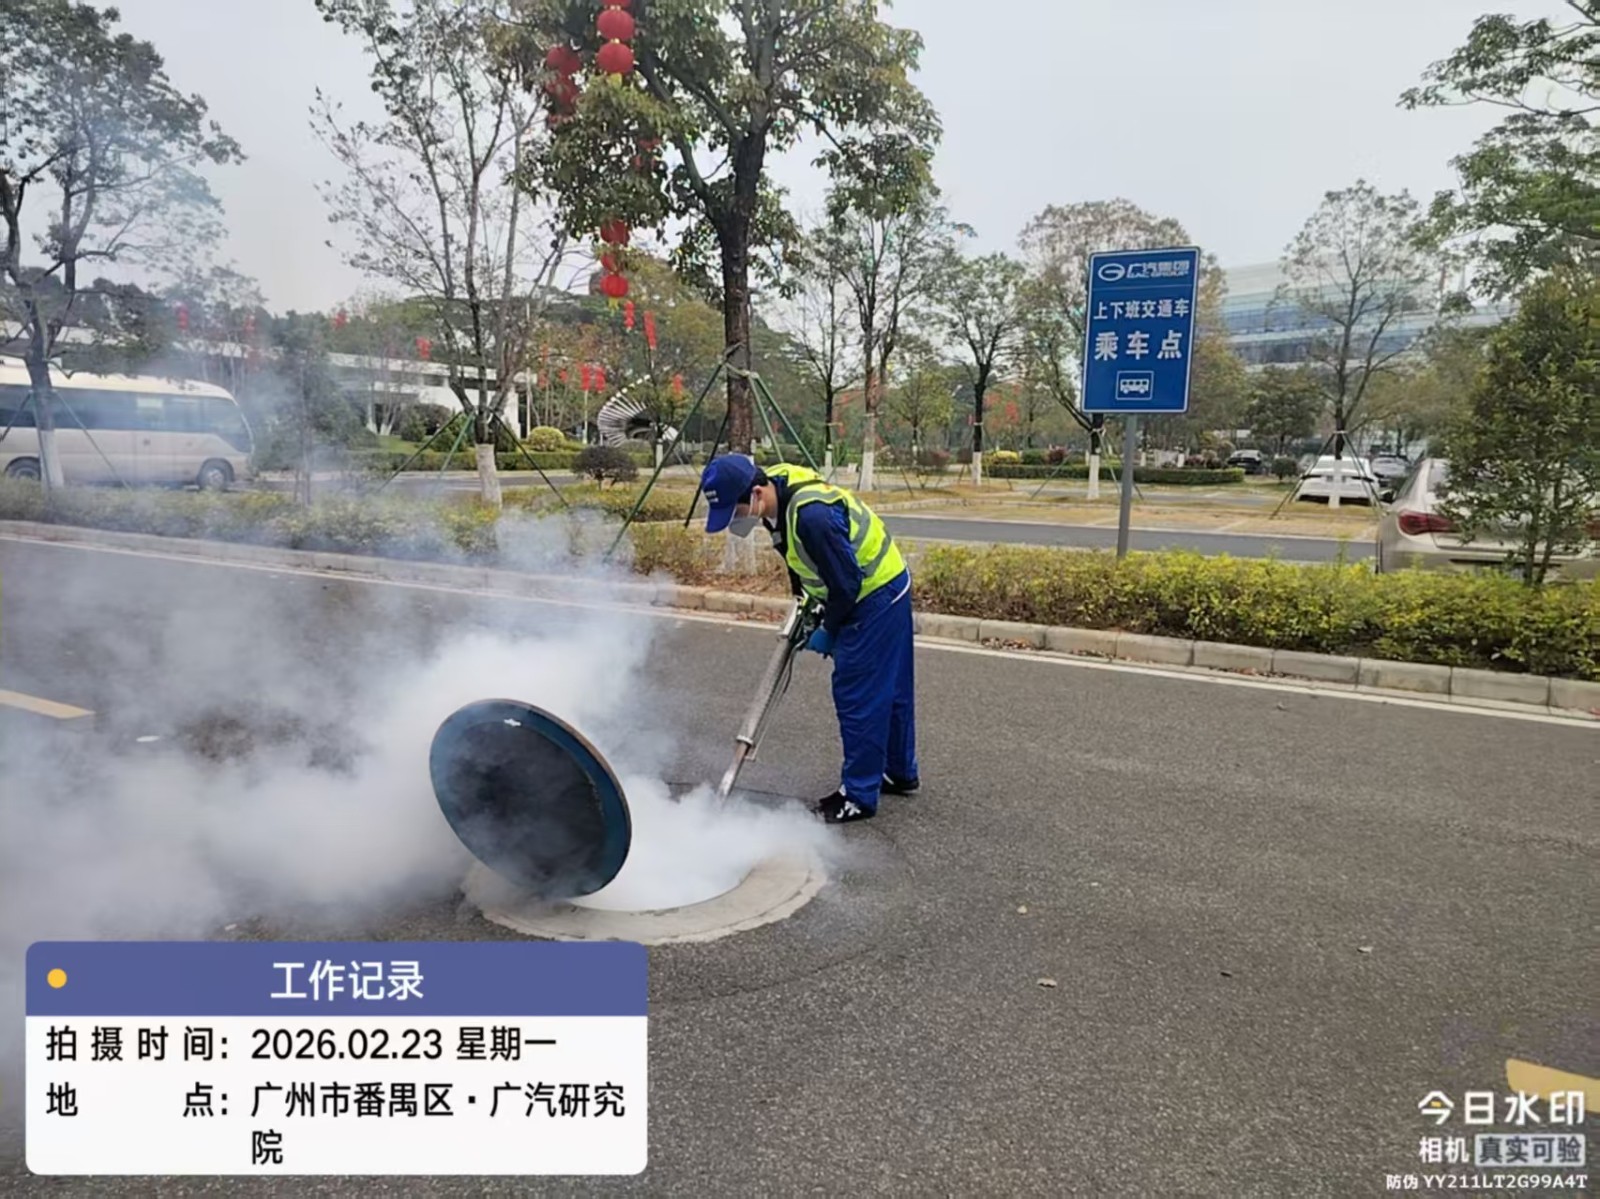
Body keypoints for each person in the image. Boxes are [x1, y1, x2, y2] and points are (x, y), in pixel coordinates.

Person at [700, 454, 919, 824]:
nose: (737, 521)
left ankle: (858, 796)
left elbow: (847, 584)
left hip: (874, 593)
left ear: (756, 493)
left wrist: (829, 629)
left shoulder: (812, 516)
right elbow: (796, 556)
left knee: (859, 693)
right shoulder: (774, 489)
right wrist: (807, 604)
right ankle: (899, 772)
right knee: (889, 687)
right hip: (877, 584)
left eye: (736, 512)